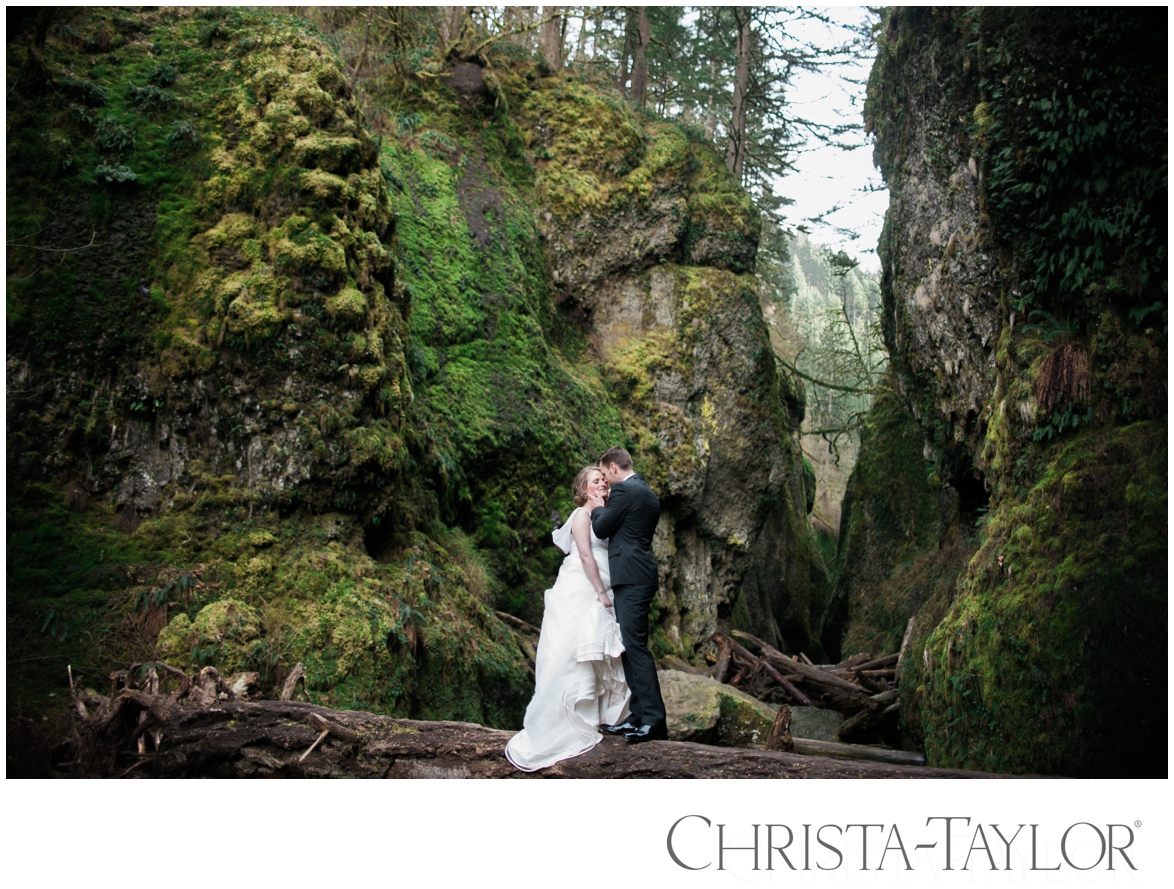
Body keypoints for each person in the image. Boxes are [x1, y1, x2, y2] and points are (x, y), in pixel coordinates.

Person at [504, 466, 630, 771]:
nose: (602, 483)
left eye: (604, 480)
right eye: (596, 481)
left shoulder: (602, 515)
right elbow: (586, 555)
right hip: (583, 587)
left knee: (592, 650)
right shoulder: (581, 516)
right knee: (571, 649)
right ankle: (563, 724)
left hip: (601, 586)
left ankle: (595, 717)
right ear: (584, 490)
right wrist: (600, 592)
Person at [588, 446, 667, 743]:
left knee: (635, 647)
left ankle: (654, 721)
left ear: (612, 466)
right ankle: (639, 715)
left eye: (605, 473)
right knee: (630, 646)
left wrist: (597, 506)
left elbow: (602, 528)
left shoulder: (623, 491)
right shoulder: (647, 492)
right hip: (639, 574)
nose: (605, 481)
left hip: (632, 577)